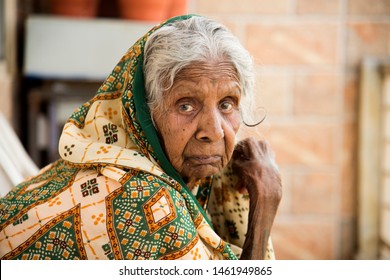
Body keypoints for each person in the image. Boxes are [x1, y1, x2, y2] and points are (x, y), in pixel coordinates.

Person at [0, 15, 282, 260]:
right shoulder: (145, 202)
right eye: (186, 105)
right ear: (144, 112)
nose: (214, 131)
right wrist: (265, 205)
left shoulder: (111, 153)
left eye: (226, 104)